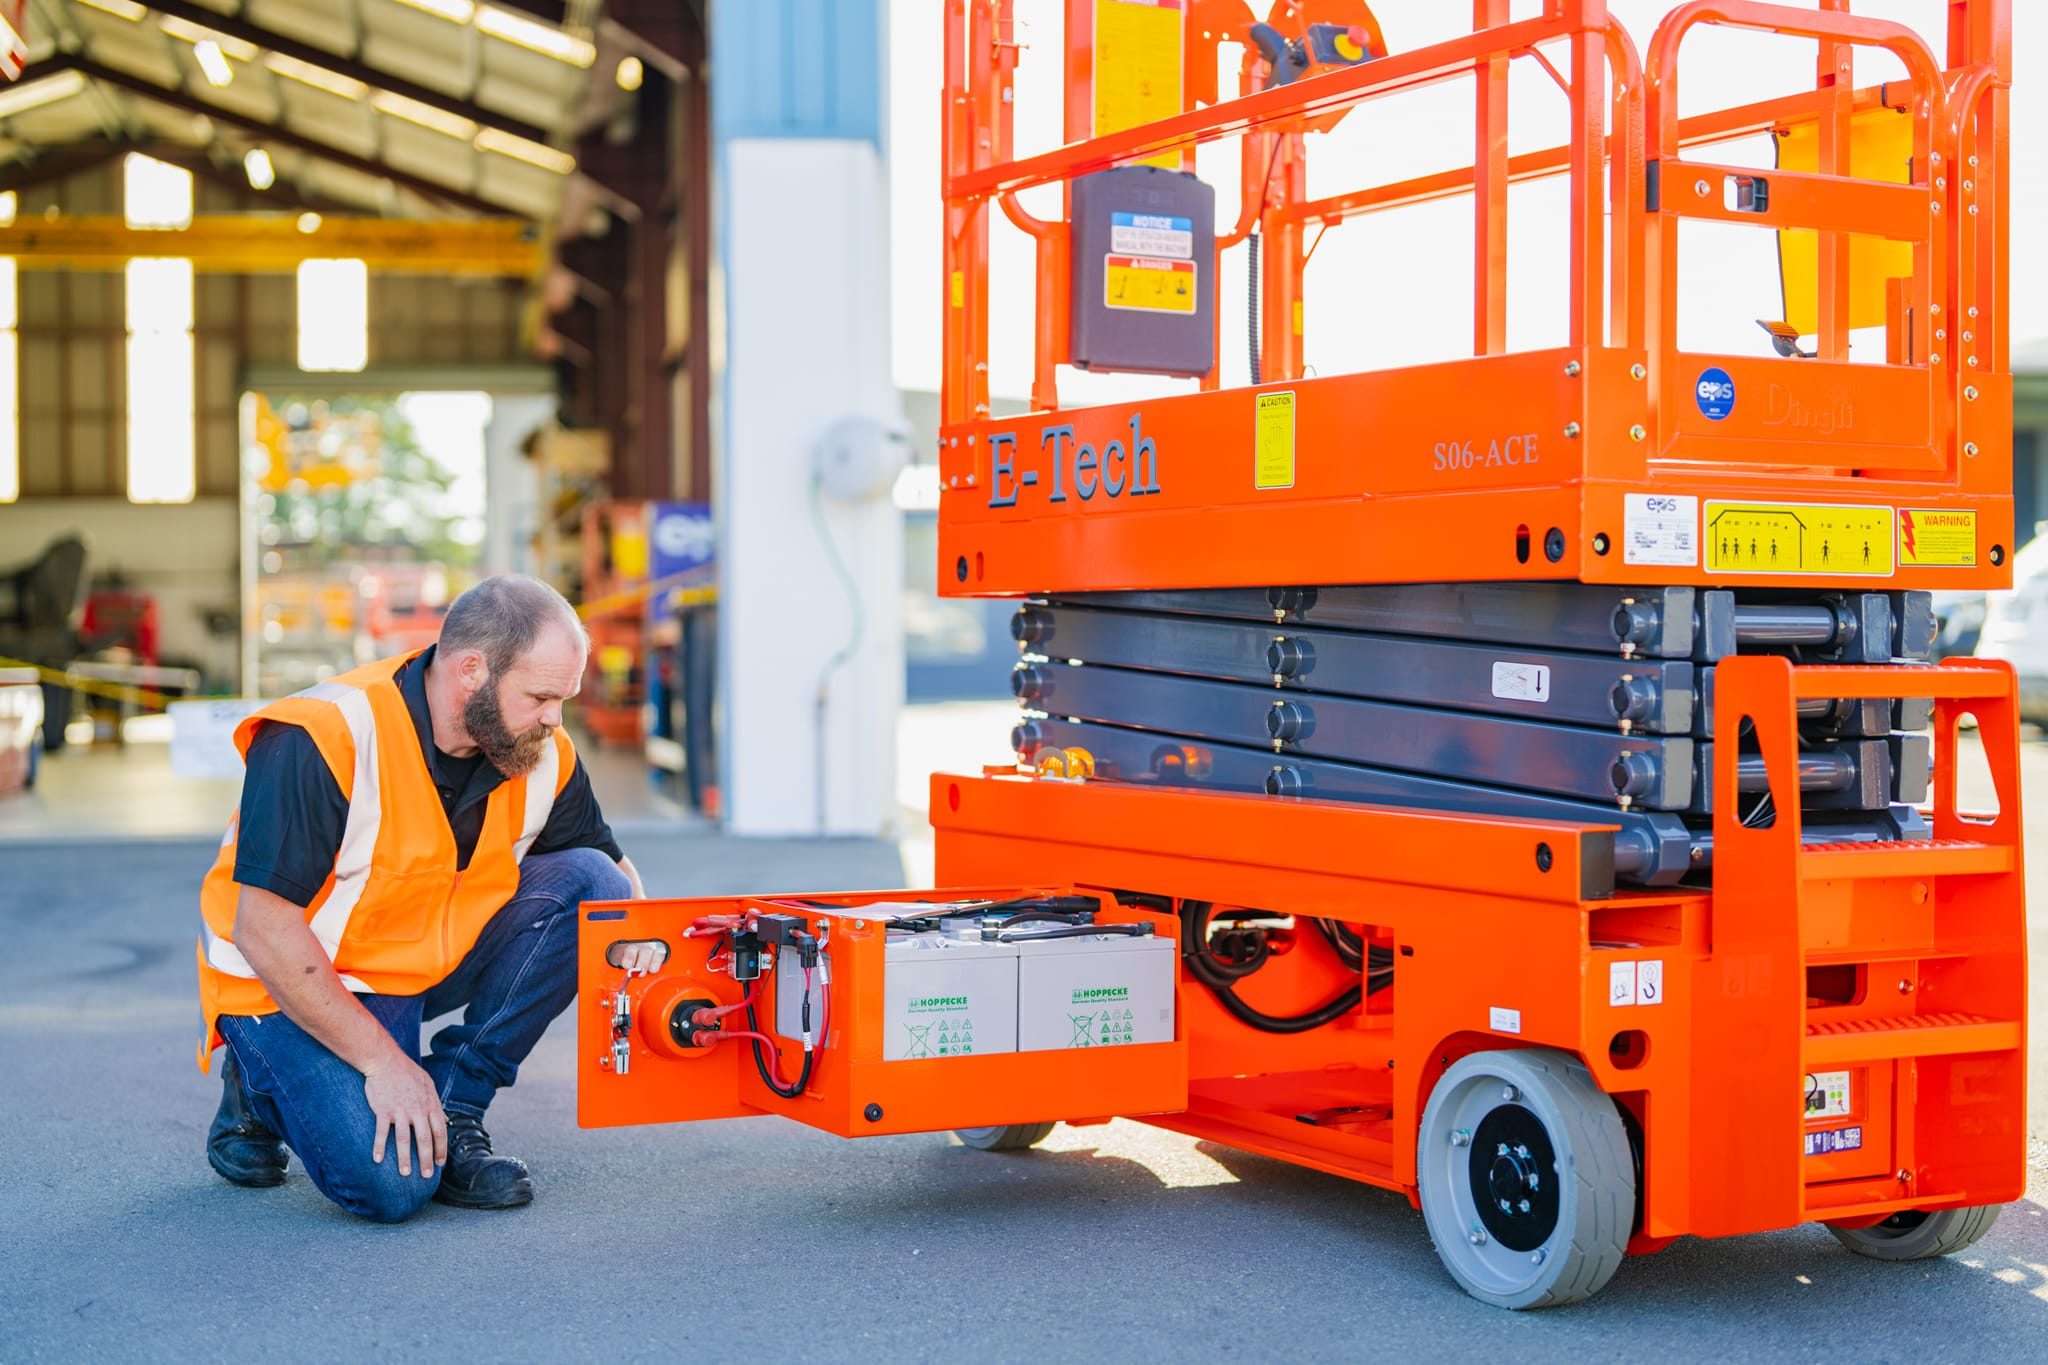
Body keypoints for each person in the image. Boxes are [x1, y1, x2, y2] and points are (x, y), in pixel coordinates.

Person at [195, 575, 665, 1221]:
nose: (556, 718)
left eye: (563, 697)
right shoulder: (322, 735)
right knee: (392, 1185)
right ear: (472, 671)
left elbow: (607, 863)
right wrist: (384, 1062)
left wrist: (639, 924)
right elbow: (264, 929)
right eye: (540, 696)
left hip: (407, 966)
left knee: (598, 890)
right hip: (281, 980)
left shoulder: (537, 747)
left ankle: (454, 1103)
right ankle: (257, 1080)